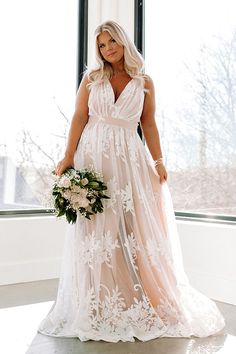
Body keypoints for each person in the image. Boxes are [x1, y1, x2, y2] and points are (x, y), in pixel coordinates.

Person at [37, 20, 225, 342]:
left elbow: (148, 124)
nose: (107, 49)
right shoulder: (92, 79)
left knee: (132, 226)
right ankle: (96, 302)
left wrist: (159, 160)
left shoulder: (144, 81)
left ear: (124, 42)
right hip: (94, 156)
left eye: (112, 42)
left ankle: (136, 296)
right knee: (97, 227)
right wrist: (68, 157)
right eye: (101, 45)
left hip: (129, 158)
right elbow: (80, 117)